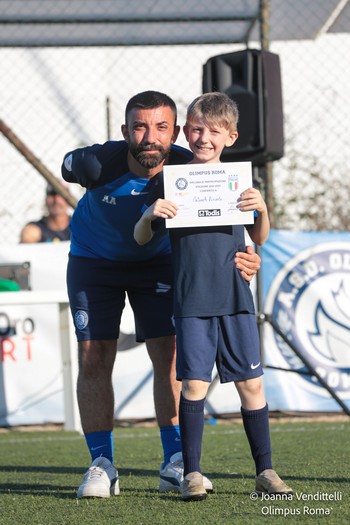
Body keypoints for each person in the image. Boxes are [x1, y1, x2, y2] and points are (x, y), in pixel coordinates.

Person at [61, 90, 261, 499]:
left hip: (160, 264)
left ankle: (175, 462)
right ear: (125, 131)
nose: (150, 137)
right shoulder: (96, 162)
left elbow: (234, 224)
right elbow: (67, 166)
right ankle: (101, 464)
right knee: (93, 355)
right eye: (139, 126)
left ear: (177, 134)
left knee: (169, 355)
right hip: (95, 262)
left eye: (161, 127)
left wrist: (250, 256)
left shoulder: (195, 169)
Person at [134, 92, 293, 501]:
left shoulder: (240, 182)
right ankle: (192, 473)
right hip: (192, 301)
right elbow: (140, 235)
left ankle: (266, 472)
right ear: (187, 131)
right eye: (197, 130)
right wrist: (150, 216)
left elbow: (259, 237)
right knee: (193, 388)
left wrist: (262, 210)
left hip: (236, 296)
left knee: (252, 386)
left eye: (214, 132)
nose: (204, 138)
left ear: (231, 137)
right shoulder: (172, 180)